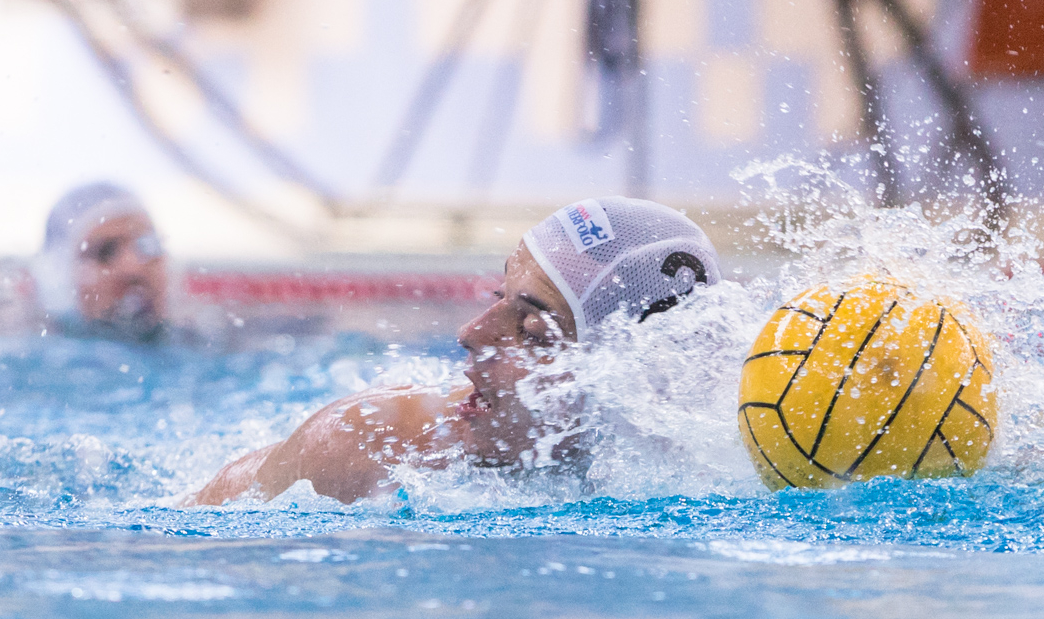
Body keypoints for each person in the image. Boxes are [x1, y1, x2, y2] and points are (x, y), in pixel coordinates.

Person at [187, 197, 721, 506]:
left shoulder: (704, 479)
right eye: (498, 298)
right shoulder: (372, 445)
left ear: (624, 380)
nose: (470, 333)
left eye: (531, 330)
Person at [30, 182, 171, 343]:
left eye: (147, 245)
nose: (133, 268)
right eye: (105, 251)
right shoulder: (46, 359)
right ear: (61, 282)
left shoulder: (197, 346)